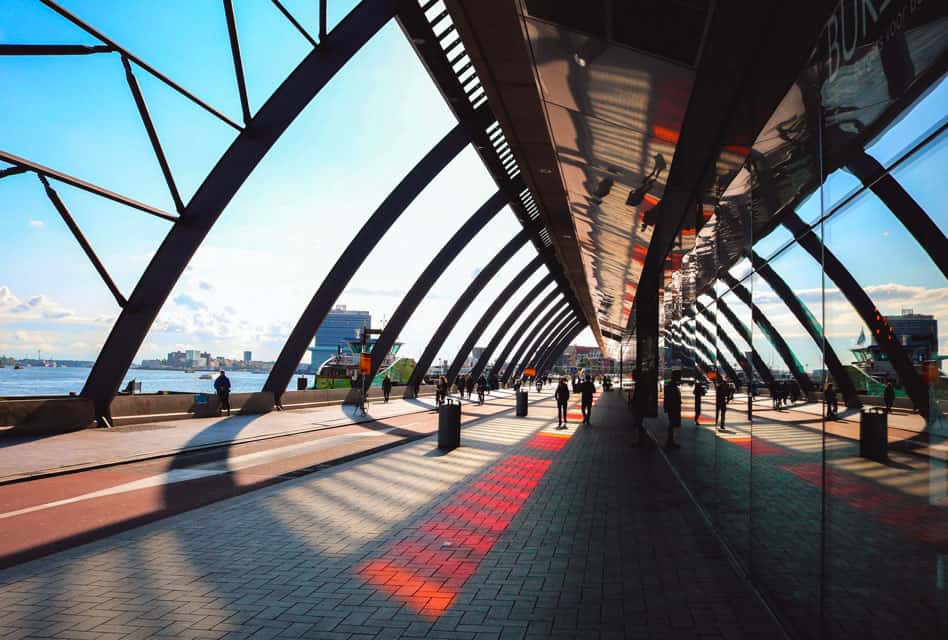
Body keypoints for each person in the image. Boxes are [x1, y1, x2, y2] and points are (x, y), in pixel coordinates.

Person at [663, 371, 682, 448]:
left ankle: (670, 441)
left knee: (672, 424)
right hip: (673, 407)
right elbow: (671, 398)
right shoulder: (672, 386)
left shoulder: (671, 385)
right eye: (679, 376)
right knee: (672, 424)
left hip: (673, 407)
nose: (680, 378)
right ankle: (670, 442)